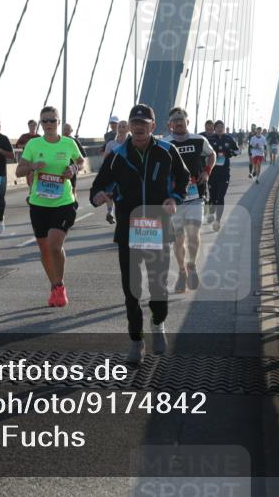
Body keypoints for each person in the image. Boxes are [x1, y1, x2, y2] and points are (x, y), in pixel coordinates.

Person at [90, 104, 189, 365]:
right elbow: (99, 185)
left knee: (158, 287)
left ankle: (158, 324)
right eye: (135, 122)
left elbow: (183, 178)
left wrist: (174, 197)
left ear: (153, 126)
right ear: (130, 125)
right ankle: (136, 340)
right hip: (128, 228)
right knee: (131, 289)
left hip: (157, 226)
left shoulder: (167, 152)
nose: (139, 127)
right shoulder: (118, 155)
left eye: (144, 123)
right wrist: (98, 196)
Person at [15, 107, 84, 308]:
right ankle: (54, 286)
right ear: (40, 123)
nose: (48, 124)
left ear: (59, 122)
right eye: (44, 121)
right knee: (45, 250)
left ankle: (60, 285)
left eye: (52, 120)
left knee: (55, 246)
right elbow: (19, 171)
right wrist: (32, 167)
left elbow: (80, 161)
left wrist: (73, 168)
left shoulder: (68, 143)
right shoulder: (33, 144)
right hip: (38, 203)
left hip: (63, 201)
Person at [163, 107, 215, 293]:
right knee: (178, 238)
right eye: (175, 121)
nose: (178, 123)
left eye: (181, 120)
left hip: (195, 195)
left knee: (193, 234)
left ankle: (191, 265)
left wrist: (206, 172)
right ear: (170, 125)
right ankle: (182, 271)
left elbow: (212, 155)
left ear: (188, 122)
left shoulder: (199, 140)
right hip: (175, 199)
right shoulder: (164, 143)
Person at [207, 120, 240, 231]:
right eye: (218, 127)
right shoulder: (210, 139)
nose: (220, 129)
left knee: (220, 197)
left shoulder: (228, 139)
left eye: (222, 127)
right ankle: (211, 211)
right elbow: (203, 153)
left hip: (224, 172)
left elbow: (237, 151)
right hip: (212, 172)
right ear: (215, 128)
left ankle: (217, 221)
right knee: (212, 197)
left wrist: (231, 152)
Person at [102, 119, 130, 224]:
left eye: (124, 126)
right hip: (114, 176)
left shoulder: (132, 143)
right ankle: (111, 213)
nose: (121, 129)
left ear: (128, 128)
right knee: (111, 195)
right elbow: (105, 160)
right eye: (120, 127)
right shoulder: (110, 144)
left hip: (128, 177)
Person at [16, 119, 40, 199]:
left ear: (36, 126)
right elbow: (17, 145)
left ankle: (32, 194)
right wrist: (25, 145)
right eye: (31, 125)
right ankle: (31, 191)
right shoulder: (24, 136)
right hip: (27, 160)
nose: (32, 127)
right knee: (29, 179)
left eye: (34, 125)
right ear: (28, 126)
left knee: (35, 177)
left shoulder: (39, 137)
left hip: (36, 160)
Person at [63, 123, 88, 197]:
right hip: (60, 167)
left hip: (71, 167)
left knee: (73, 186)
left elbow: (83, 154)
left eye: (68, 129)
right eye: (64, 129)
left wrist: (76, 164)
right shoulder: (59, 140)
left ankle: (74, 200)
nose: (66, 131)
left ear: (71, 131)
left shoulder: (74, 141)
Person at [201, 119, 217, 224]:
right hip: (203, 169)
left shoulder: (218, 137)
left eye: (211, 129)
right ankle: (206, 211)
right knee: (205, 191)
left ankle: (211, 212)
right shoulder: (200, 137)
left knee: (214, 192)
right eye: (207, 129)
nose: (209, 131)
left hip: (216, 169)